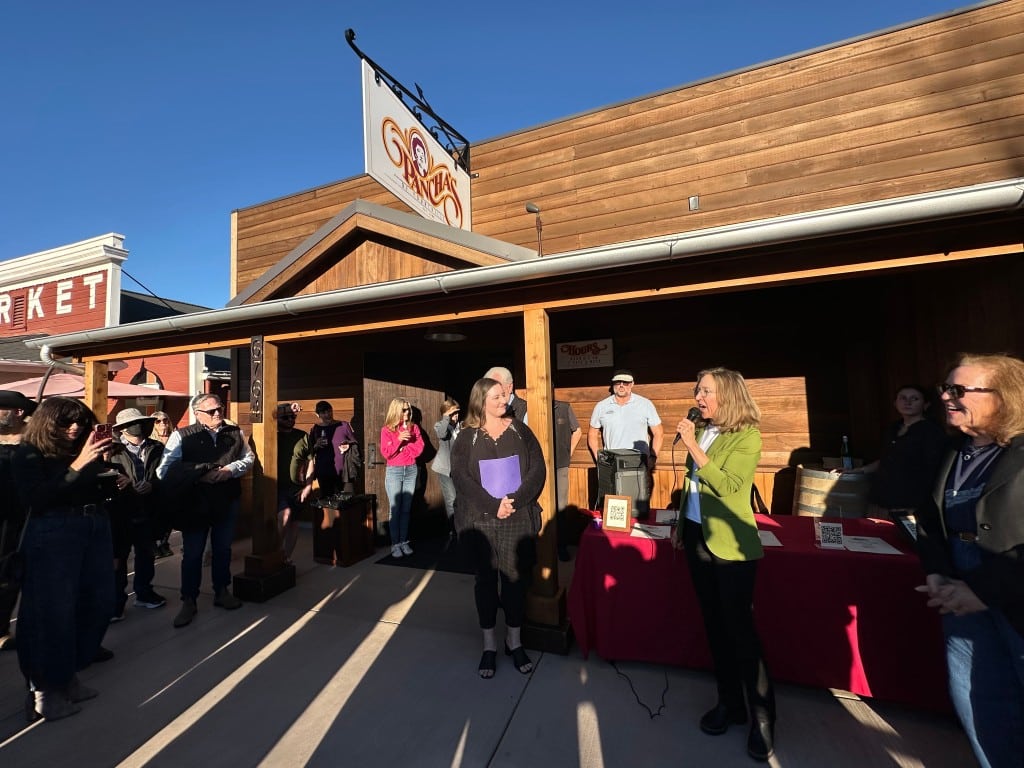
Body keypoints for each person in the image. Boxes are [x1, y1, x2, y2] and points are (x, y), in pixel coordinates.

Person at [916, 354, 1024, 767]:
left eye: (958, 390)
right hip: (959, 593)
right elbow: (928, 519)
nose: (945, 396)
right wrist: (938, 573)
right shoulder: (951, 451)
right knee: (980, 700)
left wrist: (982, 590)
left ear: (1006, 396)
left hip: (1012, 593)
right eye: (945, 388)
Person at [671, 367, 776, 762]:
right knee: (714, 626)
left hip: (731, 546)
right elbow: (690, 483)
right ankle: (730, 704)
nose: (699, 397)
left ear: (728, 395)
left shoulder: (748, 436)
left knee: (740, 632)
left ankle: (763, 718)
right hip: (698, 536)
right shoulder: (701, 430)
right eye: (698, 390)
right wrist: (681, 525)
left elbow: (730, 485)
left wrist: (693, 446)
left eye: (706, 391)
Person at [11, 397, 118, 721]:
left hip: (93, 525)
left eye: (81, 422)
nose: (75, 428)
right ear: (47, 422)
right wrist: (79, 465)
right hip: (53, 531)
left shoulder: (79, 451)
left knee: (98, 604)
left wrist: (108, 475)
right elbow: (37, 499)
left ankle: (67, 676)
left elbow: (90, 489)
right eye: (65, 422)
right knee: (51, 613)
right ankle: (44, 690)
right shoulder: (28, 453)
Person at [451, 377, 546, 679]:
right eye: (495, 397)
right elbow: (461, 477)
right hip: (480, 519)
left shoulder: (520, 429)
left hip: (516, 517)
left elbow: (538, 468)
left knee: (515, 581)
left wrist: (515, 500)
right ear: (480, 401)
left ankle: (513, 641)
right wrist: (494, 505)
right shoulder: (466, 437)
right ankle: (489, 644)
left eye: (503, 395)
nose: (503, 400)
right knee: (486, 582)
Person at [156, 393, 254, 628]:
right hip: (195, 504)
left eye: (220, 408)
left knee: (222, 549)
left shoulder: (235, 432)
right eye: (211, 411)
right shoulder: (182, 435)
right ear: (198, 414)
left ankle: (222, 591)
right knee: (192, 554)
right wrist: (201, 473)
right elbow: (164, 470)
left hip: (226, 501)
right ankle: (189, 600)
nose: (218, 413)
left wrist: (231, 469)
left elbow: (248, 458)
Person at [846, 384, 947, 517]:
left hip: (910, 504)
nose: (908, 402)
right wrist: (857, 471)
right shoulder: (893, 428)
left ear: (926, 405)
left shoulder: (931, 432)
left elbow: (935, 469)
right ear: (895, 403)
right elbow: (886, 459)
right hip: (881, 500)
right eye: (903, 398)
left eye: (914, 399)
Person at [105, 408, 167, 619]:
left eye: (141, 422)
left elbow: (165, 473)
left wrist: (152, 485)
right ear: (122, 428)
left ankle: (144, 592)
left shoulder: (157, 447)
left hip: (148, 509)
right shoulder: (111, 449)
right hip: (119, 512)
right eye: (133, 423)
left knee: (146, 554)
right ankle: (114, 602)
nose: (138, 426)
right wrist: (124, 484)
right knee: (118, 558)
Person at [0, 391, 37, 652]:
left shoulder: (35, 440)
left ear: (18, 412)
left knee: (13, 574)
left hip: (25, 518)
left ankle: (3, 629)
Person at [587, 369, 664, 467]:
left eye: (626, 383)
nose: (621, 385)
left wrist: (652, 458)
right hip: (612, 462)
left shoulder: (645, 404)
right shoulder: (601, 406)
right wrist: (599, 459)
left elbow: (659, 433)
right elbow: (592, 434)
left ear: (632, 384)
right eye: (618, 382)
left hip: (639, 461)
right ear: (613, 384)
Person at [381, 398, 424, 558]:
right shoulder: (387, 430)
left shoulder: (414, 427)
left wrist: (405, 450)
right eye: (404, 410)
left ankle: (404, 541)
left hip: (411, 469)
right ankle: (395, 544)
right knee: (395, 509)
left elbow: (420, 447)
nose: (407, 412)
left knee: (406, 509)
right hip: (394, 471)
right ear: (396, 410)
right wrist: (399, 441)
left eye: (408, 410)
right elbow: (386, 453)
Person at [275, 403, 310, 562]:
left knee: (294, 523)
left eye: (293, 417)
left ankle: (286, 558)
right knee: (285, 514)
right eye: (285, 417)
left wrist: (308, 486)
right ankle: (275, 553)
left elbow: (311, 462)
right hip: (276, 487)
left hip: (297, 487)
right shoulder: (271, 435)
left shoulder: (303, 436)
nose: (290, 419)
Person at [308, 400, 358, 497]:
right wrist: (316, 445)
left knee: (348, 500)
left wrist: (348, 445)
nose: (327, 415)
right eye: (323, 413)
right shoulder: (315, 429)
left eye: (329, 411)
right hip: (324, 471)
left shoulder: (343, 425)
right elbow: (309, 452)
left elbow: (355, 442)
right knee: (327, 501)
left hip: (344, 471)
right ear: (318, 415)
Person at [553, 399, 582, 561]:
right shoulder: (531, 407)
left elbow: (577, 431)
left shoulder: (564, 407)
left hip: (561, 465)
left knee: (561, 507)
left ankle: (561, 546)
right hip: (540, 466)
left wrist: (568, 453)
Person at [431, 398, 461, 542]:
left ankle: (461, 526)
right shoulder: (440, 425)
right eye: (453, 413)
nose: (456, 416)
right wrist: (446, 418)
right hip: (445, 469)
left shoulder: (461, 426)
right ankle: (453, 530)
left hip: (459, 469)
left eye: (457, 413)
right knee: (451, 499)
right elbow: (442, 434)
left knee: (461, 498)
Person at [149, 411, 175, 558]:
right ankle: (154, 544)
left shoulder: (175, 437)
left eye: (165, 420)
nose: (162, 423)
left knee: (170, 515)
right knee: (155, 515)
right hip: (156, 482)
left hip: (172, 482)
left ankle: (164, 543)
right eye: (157, 421)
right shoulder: (151, 441)